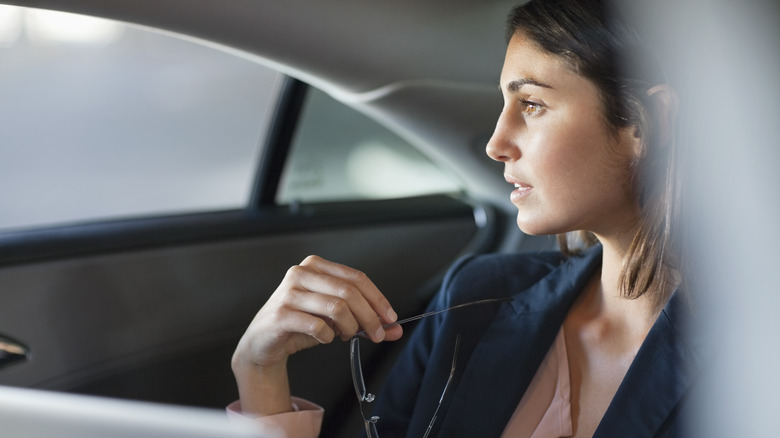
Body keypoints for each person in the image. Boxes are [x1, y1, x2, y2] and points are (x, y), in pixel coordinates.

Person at [229, 0, 695, 436]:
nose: (496, 144)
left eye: (531, 105)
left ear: (644, 122)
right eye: (505, 105)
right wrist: (259, 375)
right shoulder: (476, 295)